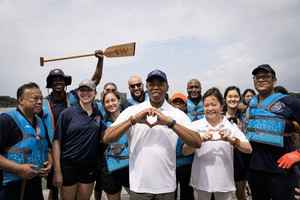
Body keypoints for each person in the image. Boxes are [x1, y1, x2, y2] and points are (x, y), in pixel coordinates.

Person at [103, 69, 202, 200]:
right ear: (147, 87)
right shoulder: (132, 111)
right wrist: (133, 120)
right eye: (151, 84)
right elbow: (107, 137)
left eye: (160, 84)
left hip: (166, 187)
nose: (156, 87)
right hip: (139, 187)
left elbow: (197, 142)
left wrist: (170, 123)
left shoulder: (177, 114)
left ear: (167, 87)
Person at [43, 50, 104, 200]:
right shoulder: (44, 103)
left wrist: (100, 61)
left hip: (79, 151)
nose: (58, 82)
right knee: (53, 189)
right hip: (55, 152)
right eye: (54, 80)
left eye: (61, 80)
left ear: (65, 83)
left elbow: (93, 82)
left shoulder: (73, 97)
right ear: (50, 84)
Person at [183, 87, 252, 200]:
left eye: (213, 104)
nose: (210, 108)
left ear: (221, 106)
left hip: (224, 183)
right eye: (206, 105)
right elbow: (185, 151)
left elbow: (249, 149)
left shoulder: (230, 126)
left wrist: (232, 140)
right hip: (201, 182)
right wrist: (199, 140)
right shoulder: (195, 125)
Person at [245, 64, 300, 200]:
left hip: (281, 170)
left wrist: (298, 154)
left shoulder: (289, 101)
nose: (261, 80)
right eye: (257, 77)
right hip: (255, 169)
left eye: (265, 76)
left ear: (274, 80)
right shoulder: (251, 104)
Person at [52, 79, 105, 200]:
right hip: (68, 166)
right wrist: (58, 171)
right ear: (77, 92)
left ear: (95, 93)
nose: (85, 93)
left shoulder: (98, 114)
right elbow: (56, 142)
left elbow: (104, 136)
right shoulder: (67, 113)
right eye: (82, 90)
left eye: (89, 90)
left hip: (89, 166)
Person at [0, 82, 52, 200]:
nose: (39, 102)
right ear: (21, 100)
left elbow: (47, 148)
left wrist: (50, 163)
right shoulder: (6, 121)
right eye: (35, 98)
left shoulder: (40, 121)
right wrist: (18, 169)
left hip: (34, 184)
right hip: (11, 186)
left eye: (41, 98)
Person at [95, 91, 130, 200]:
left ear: (119, 101)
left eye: (113, 100)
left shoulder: (130, 118)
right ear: (104, 105)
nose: (111, 104)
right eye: (107, 102)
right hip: (110, 169)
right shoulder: (102, 123)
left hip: (129, 166)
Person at [223, 86, 249, 200]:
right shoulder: (219, 117)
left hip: (240, 159)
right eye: (230, 96)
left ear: (240, 98)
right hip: (223, 159)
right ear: (225, 99)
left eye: (235, 96)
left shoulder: (245, 117)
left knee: (240, 194)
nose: (232, 99)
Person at [169, 92, 194, 200]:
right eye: (175, 102)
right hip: (170, 164)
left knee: (187, 194)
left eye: (181, 102)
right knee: (170, 194)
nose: (178, 105)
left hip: (187, 164)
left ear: (185, 106)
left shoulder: (190, 120)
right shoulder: (166, 119)